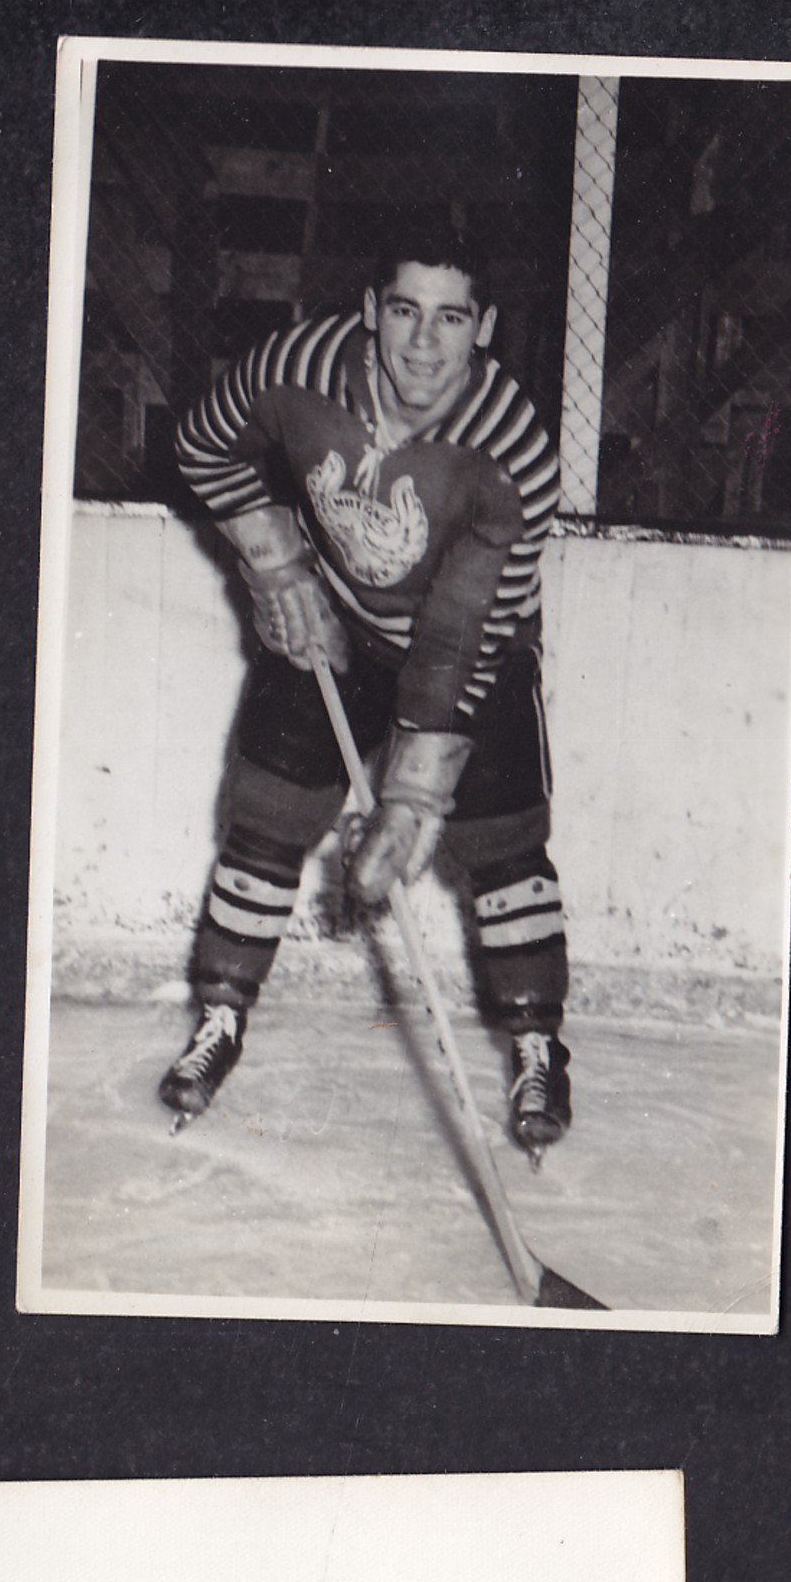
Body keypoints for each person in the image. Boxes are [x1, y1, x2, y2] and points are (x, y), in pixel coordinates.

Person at [163, 212, 571, 1160]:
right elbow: (204, 449)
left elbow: (458, 630)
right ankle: (219, 1018)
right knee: (265, 816)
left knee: (503, 846)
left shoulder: (512, 450)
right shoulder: (294, 370)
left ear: (486, 327)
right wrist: (276, 564)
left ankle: (537, 1043)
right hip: (333, 625)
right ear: (368, 311)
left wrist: (413, 795)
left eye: (451, 318)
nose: (424, 344)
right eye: (404, 311)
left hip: (477, 652)